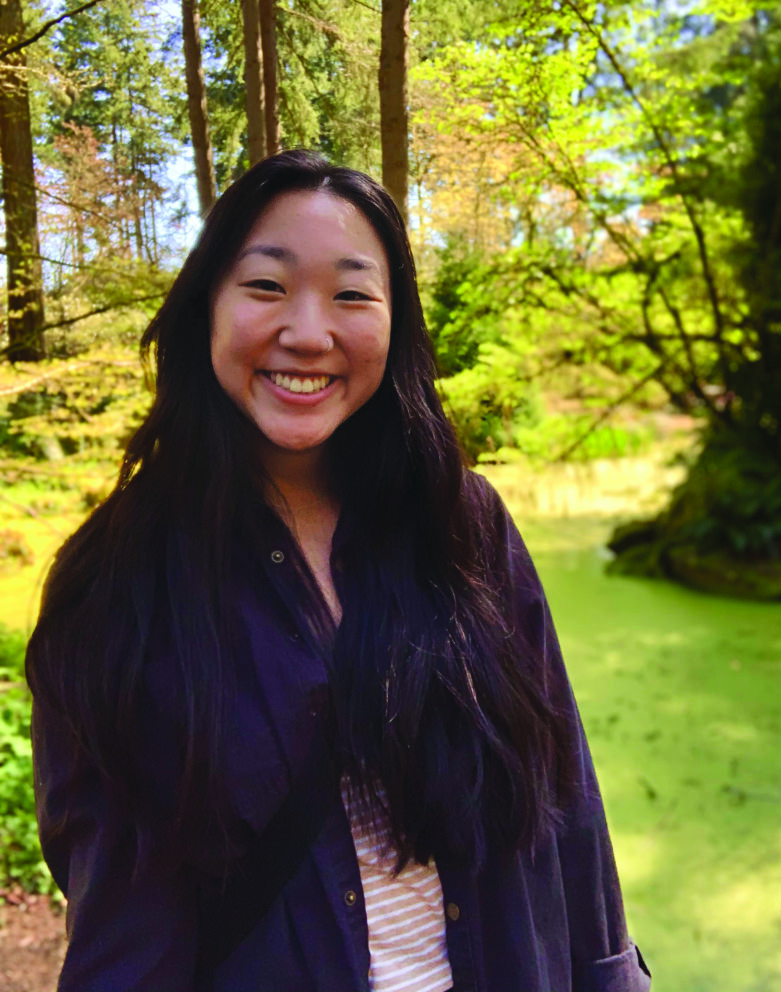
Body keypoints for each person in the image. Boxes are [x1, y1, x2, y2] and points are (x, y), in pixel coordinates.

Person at [26, 150, 651, 992]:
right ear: (206, 305)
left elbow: (564, 799)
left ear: (395, 324)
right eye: (267, 286)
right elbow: (124, 929)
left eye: (352, 294)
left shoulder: (462, 523)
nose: (309, 333)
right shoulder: (114, 587)